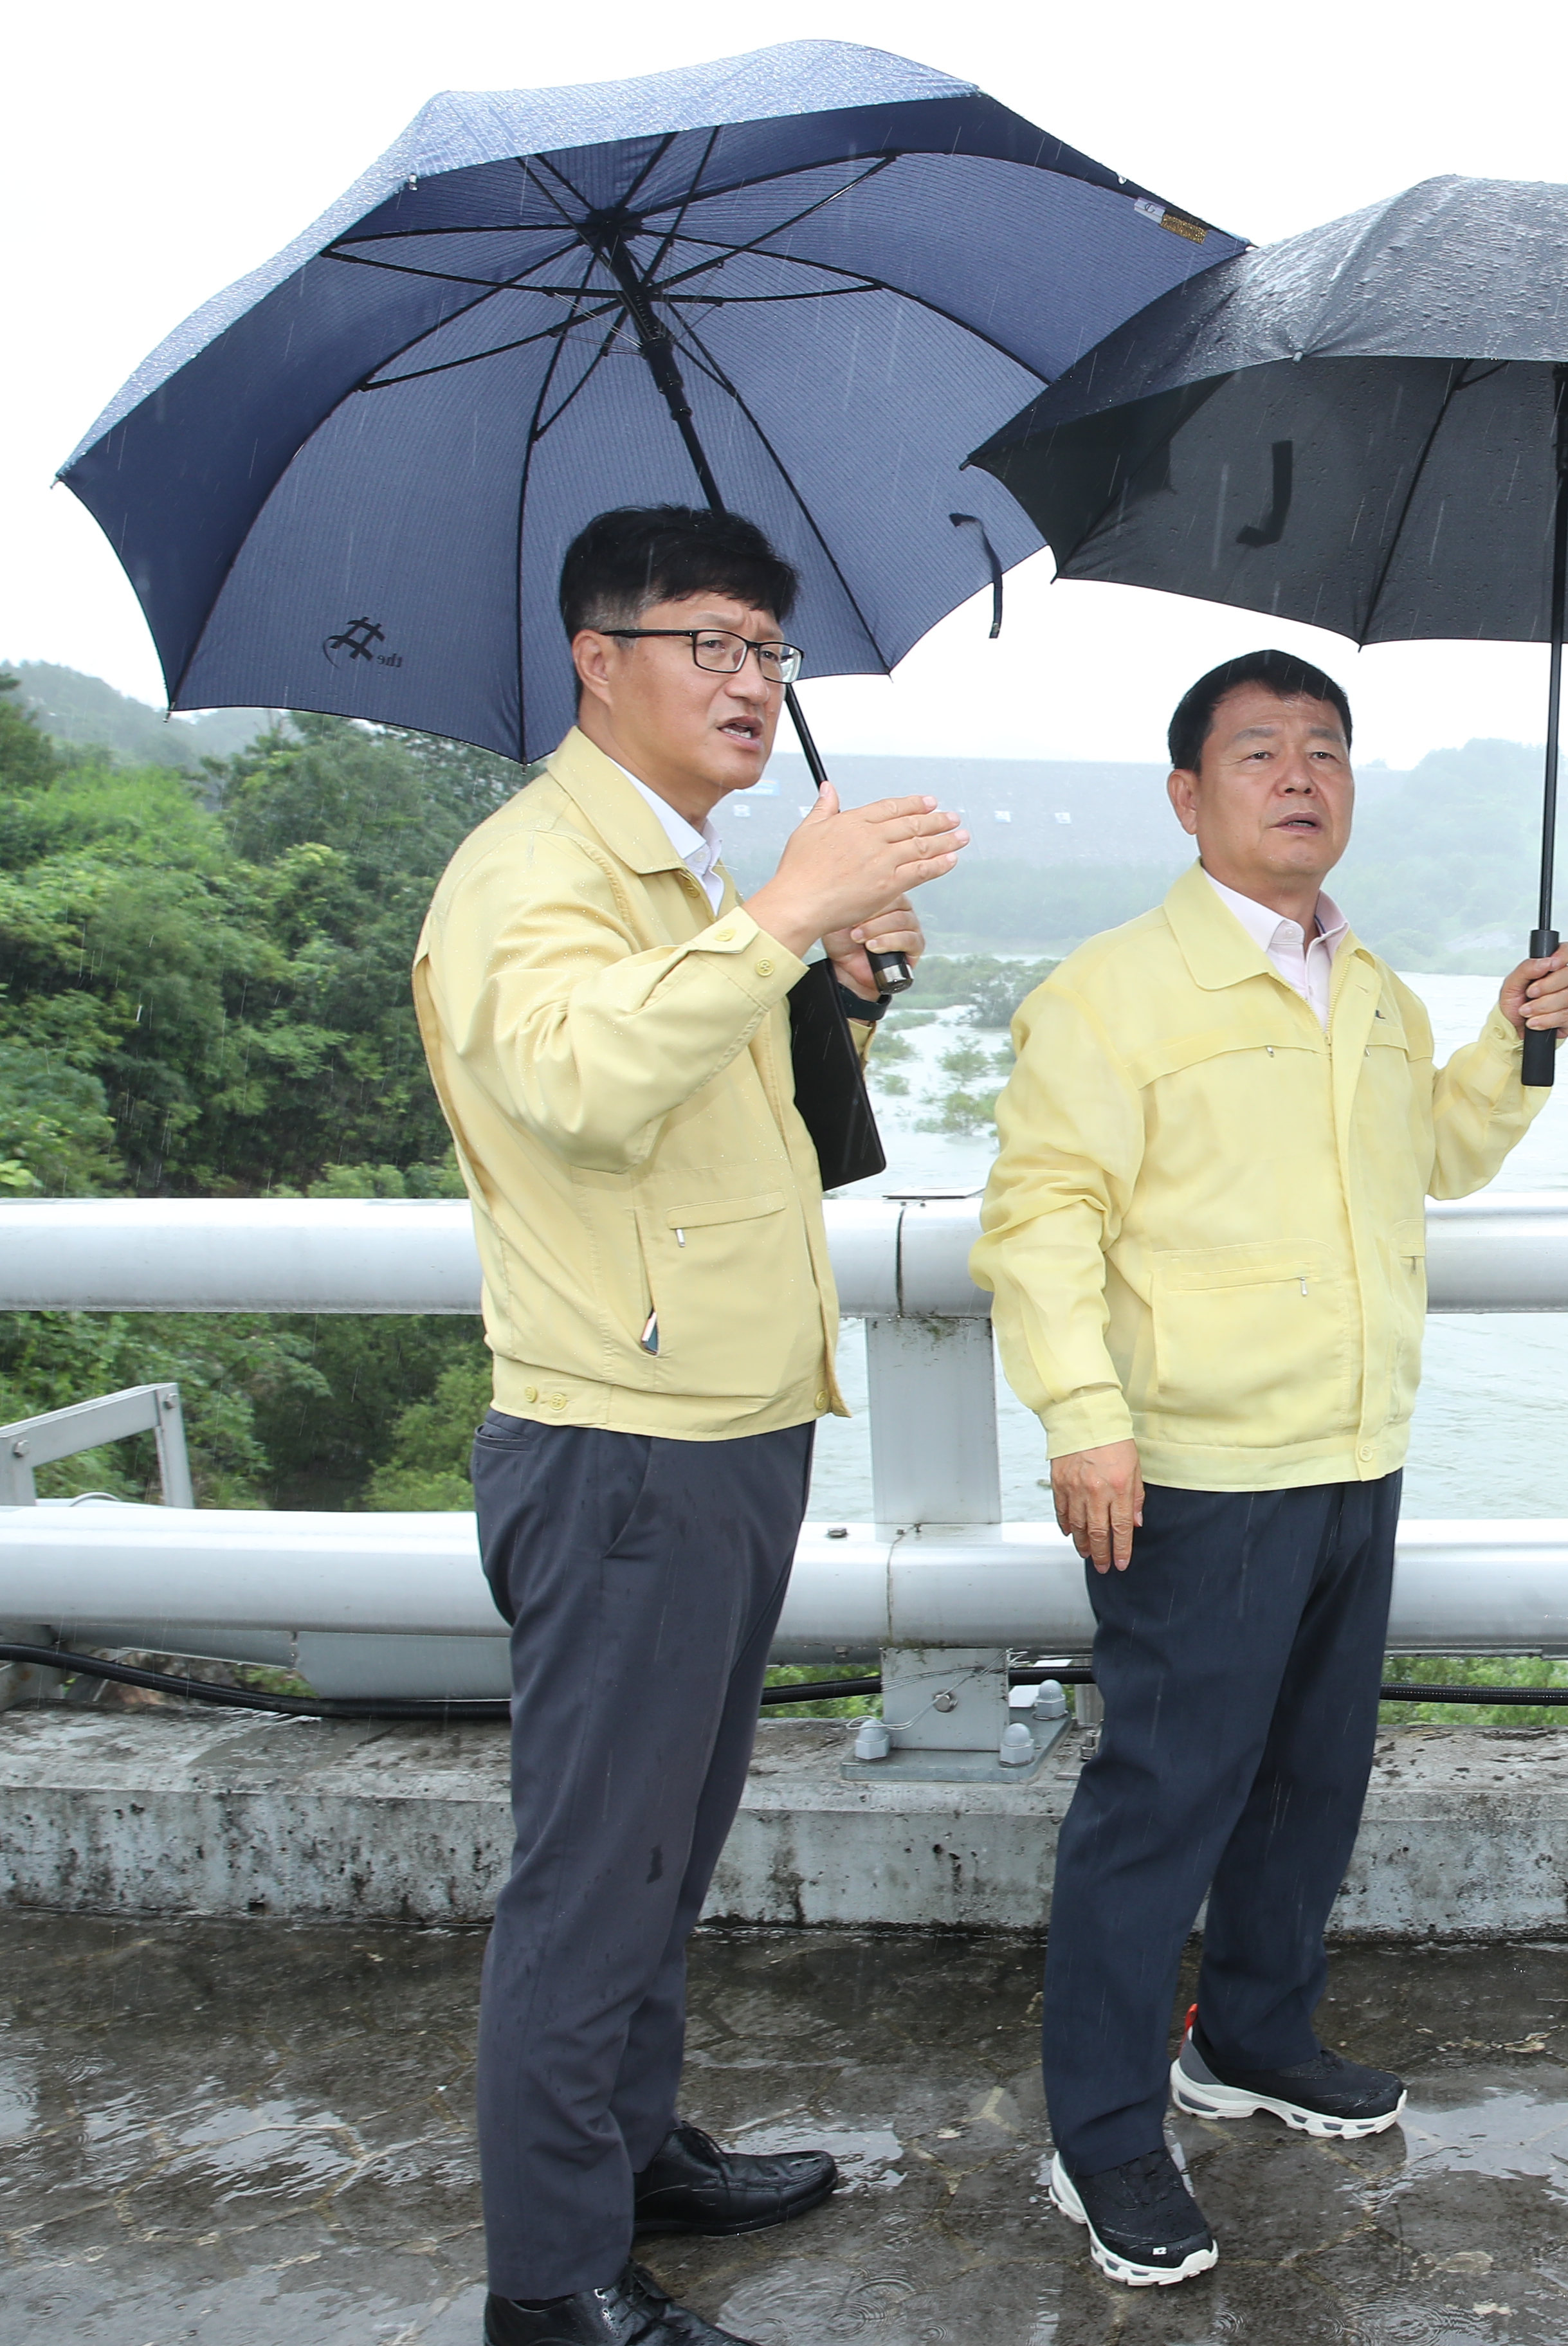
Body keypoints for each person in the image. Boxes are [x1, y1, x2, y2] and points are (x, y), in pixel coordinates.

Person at [414, 504, 965, 2346]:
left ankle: (630, 2154)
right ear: (600, 659)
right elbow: (574, 1090)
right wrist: (790, 911)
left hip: (725, 1420)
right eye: (711, 645)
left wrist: (843, 988)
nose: (749, 684)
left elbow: (744, 1129)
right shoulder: (531, 874)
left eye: (769, 652)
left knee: (669, 1837)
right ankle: (556, 2282)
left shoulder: (677, 881)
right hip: (623, 1442)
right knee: (594, 1872)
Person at [972, 648, 1568, 2286]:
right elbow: (1038, 1218)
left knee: (1313, 1788)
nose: (1302, 777)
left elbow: (1431, 1160)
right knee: (1160, 1807)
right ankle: (1100, 2138)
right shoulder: (1112, 992)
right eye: (1260, 754)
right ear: (1189, 797)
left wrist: (1514, 1050)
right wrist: (1084, 1416)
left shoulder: (1370, 986)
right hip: (1193, 1466)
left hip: (1353, 1443)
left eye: (1326, 750)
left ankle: (1248, 2037)